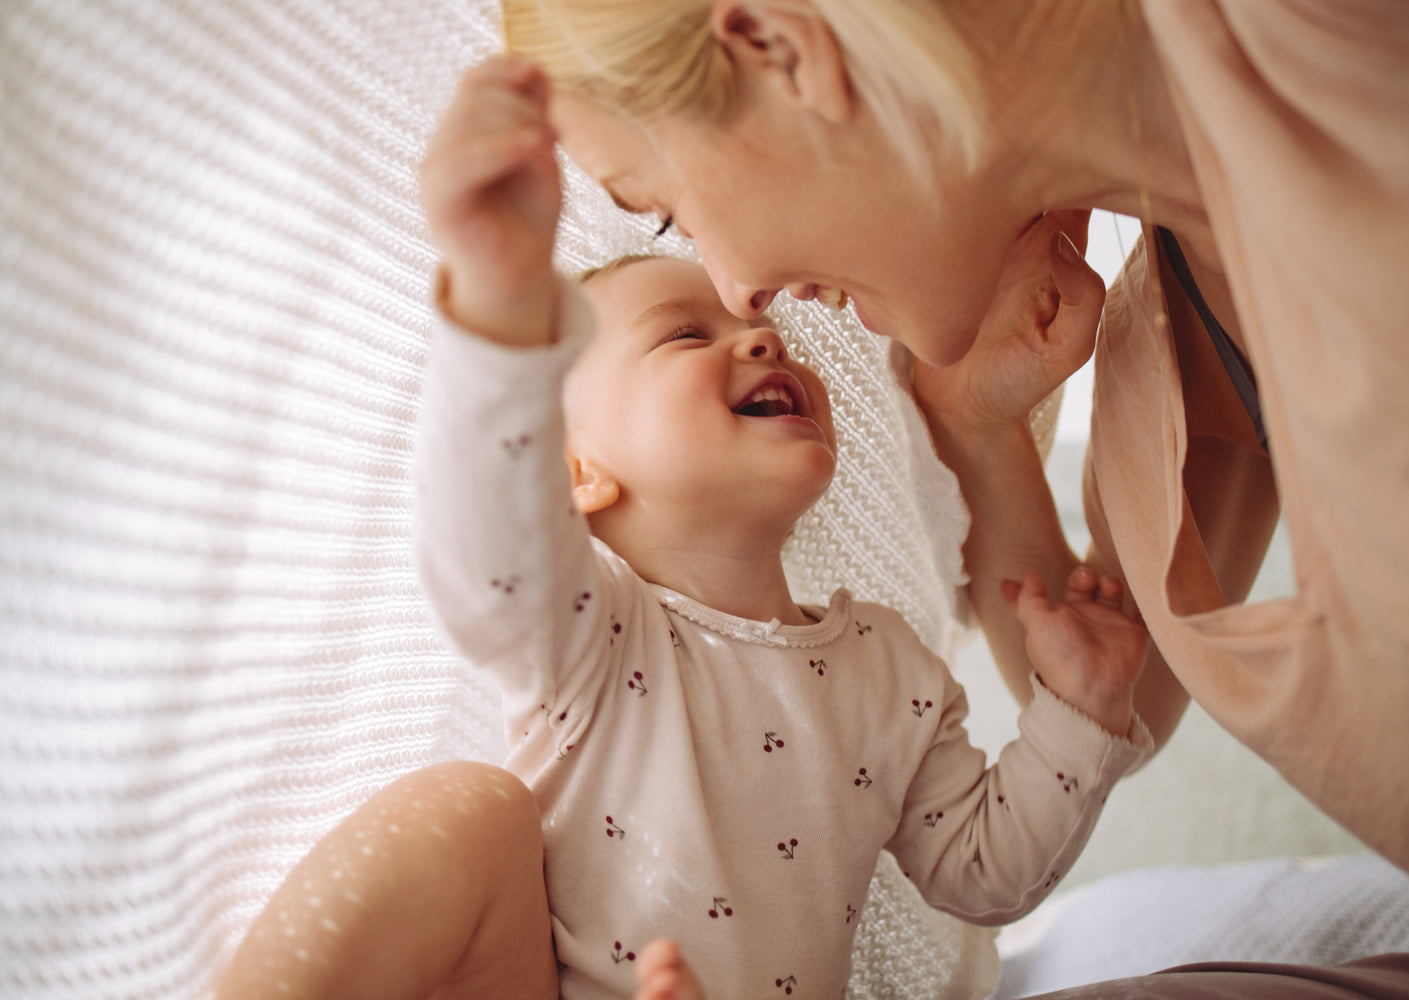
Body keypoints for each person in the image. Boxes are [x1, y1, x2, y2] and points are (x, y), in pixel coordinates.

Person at [498, 0, 1409, 965]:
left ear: (780, 51)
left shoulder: (1352, 43)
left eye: (669, 210)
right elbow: (1124, 691)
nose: (741, 291)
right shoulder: (1175, 322)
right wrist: (975, 426)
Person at [210, 59, 1154, 1000]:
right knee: (463, 812)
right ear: (576, 472)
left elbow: (983, 873)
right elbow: (485, 555)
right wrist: (500, 305)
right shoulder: (592, 632)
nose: (759, 338)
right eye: (682, 336)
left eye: (762, 337)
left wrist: (1080, 713)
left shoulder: (887, 666)